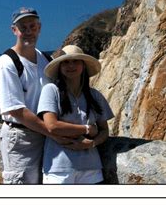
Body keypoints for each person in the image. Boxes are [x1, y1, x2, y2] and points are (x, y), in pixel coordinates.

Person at [0, 7, 71, 184]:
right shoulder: (7, 63)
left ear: (39, 28)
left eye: (32, 26)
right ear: (14, 30)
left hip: (46, 136)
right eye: (23, 27)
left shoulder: (46, 60)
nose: (28, 32)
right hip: (22, 140)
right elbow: (16, 110)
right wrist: (53, 132)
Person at [37, 45, 114, 184]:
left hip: (91, 168)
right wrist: (87, 129)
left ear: (83, 65)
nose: (70, 65)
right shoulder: (51, 91)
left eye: (76, 61)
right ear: (60, 67)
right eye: (65, 62)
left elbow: (104, 130)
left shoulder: (95, 95)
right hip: (58, 169)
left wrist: (91, 144)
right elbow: (52, 125)